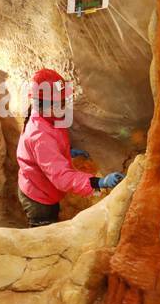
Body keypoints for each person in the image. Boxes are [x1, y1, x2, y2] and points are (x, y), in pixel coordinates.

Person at [16, 68, 124, 227]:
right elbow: (61, 177)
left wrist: (66, 151)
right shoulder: (40, 136)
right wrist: (99, 182)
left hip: (39, 185)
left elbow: (44, 148)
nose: (64, 105)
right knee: (43, 236)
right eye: (60, 102)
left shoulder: (46, 116)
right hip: (38, 197)